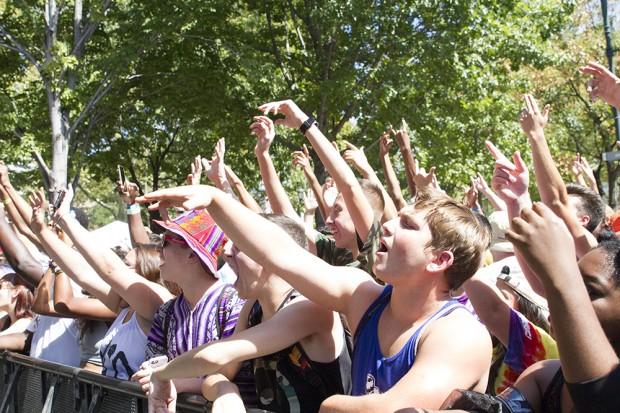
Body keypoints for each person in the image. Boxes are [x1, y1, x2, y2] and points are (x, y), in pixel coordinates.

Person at [136, 177, 492, 411]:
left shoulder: (459, 334)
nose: (387, 223)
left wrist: (331, 406)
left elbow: (393, 410)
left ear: (439, 260)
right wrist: (215, 200)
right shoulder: (364, 297)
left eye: (408, 225)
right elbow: (280, 252)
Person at [150, 214, 352, 412]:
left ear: (272, 257)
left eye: (240, 245)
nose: (226, 252)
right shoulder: (251, 307)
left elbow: (215, 357)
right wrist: (225, 390)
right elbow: (221, 373)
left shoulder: (310, 307)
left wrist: (161, 375)